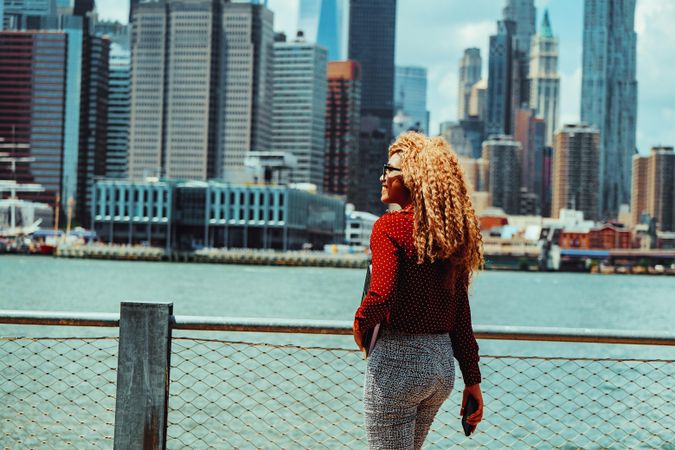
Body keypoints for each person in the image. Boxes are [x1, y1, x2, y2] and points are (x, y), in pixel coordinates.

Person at [353, 131, 484, 449]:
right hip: (440, 368)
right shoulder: (449, 234)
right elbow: (461, 314)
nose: (382, 176)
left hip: (398, 364)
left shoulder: (389, 226)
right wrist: (473, 381)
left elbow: (381, 294)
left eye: (389, 169)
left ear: (412, 177)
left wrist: (360, 323)